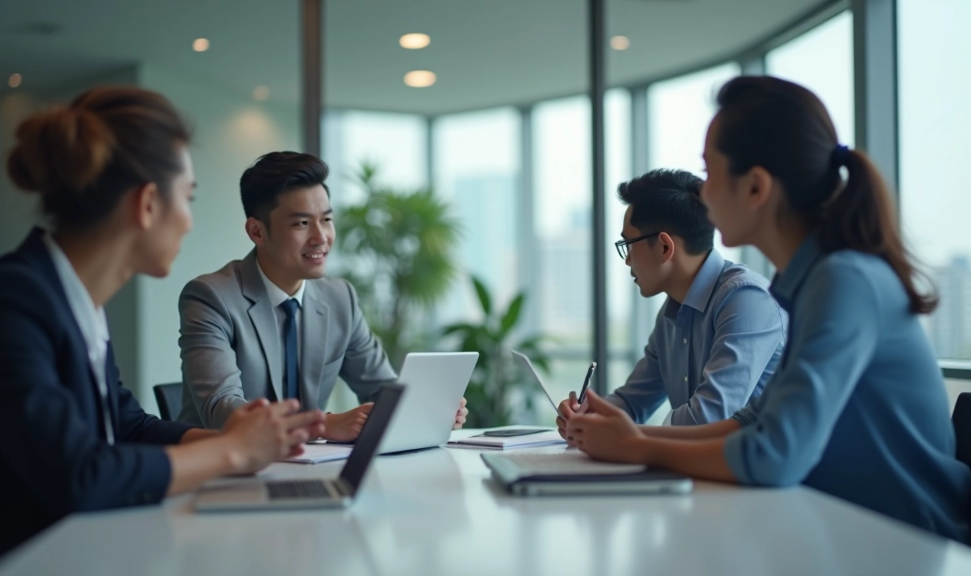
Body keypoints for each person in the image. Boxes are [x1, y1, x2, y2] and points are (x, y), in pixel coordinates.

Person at [565, 76, 971, 542]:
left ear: (756, 188)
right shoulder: (809, 283)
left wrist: (638, 446)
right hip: (843, 532)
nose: (703, 192)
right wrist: (629, 437)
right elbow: (750, 422)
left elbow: (774, 456)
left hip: (911, 545)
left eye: (710, 173)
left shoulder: (844, 282)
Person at [0, 87, 326, 575]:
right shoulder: (8, 304)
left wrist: (235, 436)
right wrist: (232, 451)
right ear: (147, 204)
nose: (189, 222)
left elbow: (127, 426)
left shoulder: (71, 299)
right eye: (187, 199)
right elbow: (80, 474)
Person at [178, 152, 467, 439]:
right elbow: (222, 410)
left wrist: (426, 409)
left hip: (312, 469)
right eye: (302, 224)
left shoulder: (340, 298)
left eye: (326, 219)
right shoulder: (211, 298)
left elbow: (382, 390)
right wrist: (321, 425)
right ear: (257, 231)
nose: (321, 237)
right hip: (224, 473)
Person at [557, 169, 785, 434]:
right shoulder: (671, 312)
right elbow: (632, 402)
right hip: (702, 470)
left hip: (755, 473)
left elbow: (709, 417)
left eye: (628, 244)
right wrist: (589, 415)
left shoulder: (746, 299)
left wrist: (625, 436)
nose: (627, 260)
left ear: (665, 247)